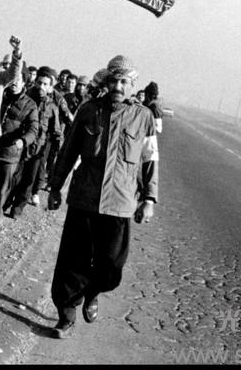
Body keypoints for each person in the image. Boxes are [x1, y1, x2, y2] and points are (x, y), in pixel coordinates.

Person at [46, 54, 159, 339]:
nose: (118, 86)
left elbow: (149, 161)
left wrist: (149, 199)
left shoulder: (143, 117)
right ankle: (67, 314)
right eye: (114, 80)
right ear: (107, 82)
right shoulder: (89, 110)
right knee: (73, 262)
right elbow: (68, 150)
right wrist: (55, 186)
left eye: (124, 81)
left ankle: (93, 291)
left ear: (133, 85)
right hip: (84, 198)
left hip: (120, 204)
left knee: (111, 265)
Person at [6, 66, 61, 218]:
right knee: (14, 176)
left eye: (45, 84)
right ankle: (5, 202)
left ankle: (17, 208)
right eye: (39, 83)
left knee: (29, 180)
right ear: (34, 82)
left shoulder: (52, 107)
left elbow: (56, 131)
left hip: (39, 150)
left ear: (50, 87)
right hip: (20, 145)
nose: (41, 87)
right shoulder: (25, 99)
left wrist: (56, 153)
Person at [0, 66, 39, 210]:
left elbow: (33, 129)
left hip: (10, 154)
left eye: (18, 80)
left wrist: (22, 141)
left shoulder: (30, 105)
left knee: (1, 190)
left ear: (24, 82)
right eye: (12, 79)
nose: (14, 82)